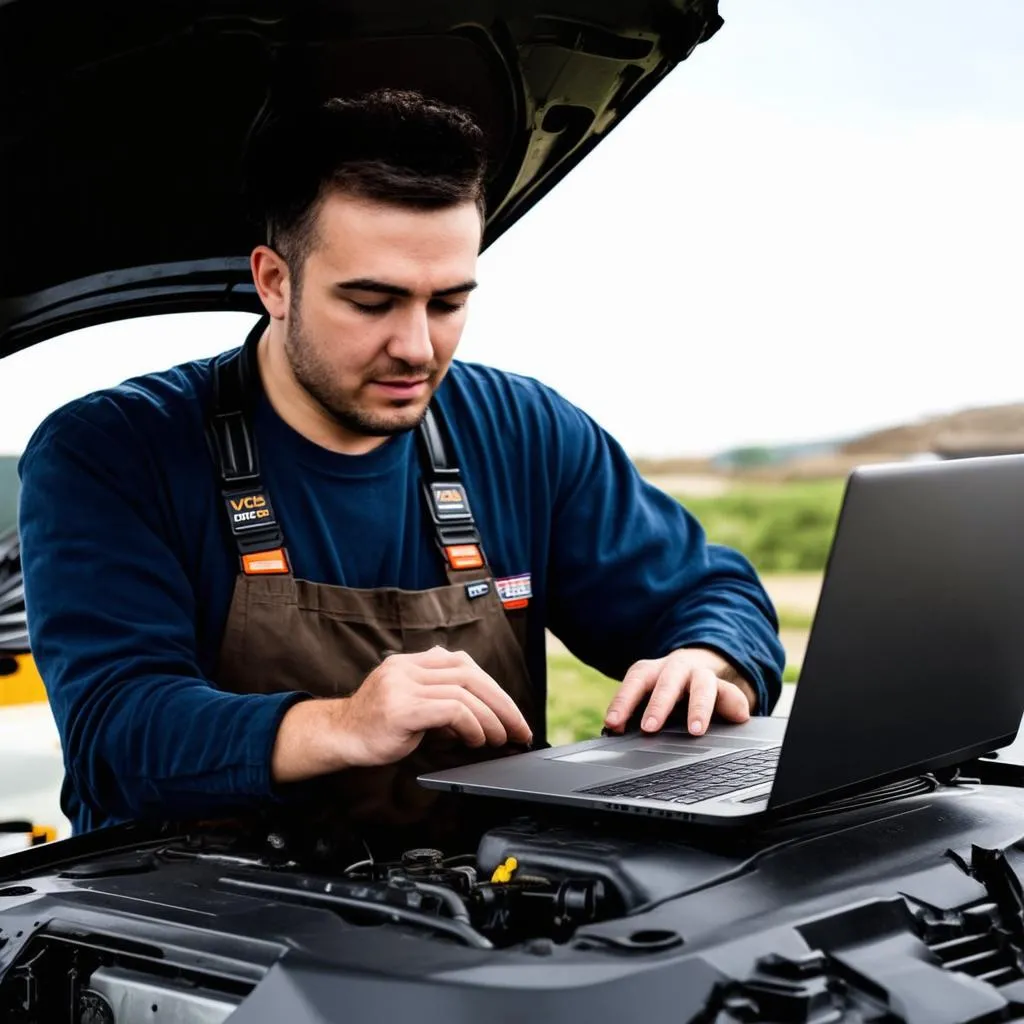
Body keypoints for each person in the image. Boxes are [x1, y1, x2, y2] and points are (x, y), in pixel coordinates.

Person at [18, 89, 785, 839]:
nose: (417, 348)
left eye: (447, 302)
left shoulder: (525, 430)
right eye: (372, 301)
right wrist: (346, 722)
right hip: (198, 930)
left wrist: (708, 656)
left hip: (481, 908)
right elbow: (118, 732)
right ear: (274, 282)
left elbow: (709, 590)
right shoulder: (111, 453)